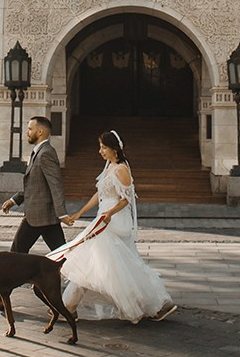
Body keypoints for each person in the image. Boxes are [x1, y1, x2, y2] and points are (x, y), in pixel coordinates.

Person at [51, 129, 176, 323]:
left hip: (113, 222)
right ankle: (69, 306)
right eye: (100, 147)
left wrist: (109, 213)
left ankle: (68, 306)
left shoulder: (121, 169)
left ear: (114, 149)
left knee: (97, 264)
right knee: (106, 266)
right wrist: (81, 212)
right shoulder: (109, 166)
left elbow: (127, 199)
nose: (100, 151)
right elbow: (99, 194)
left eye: (103, 147)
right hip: (102, 220)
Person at [1, 116, 67, 253]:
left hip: (38, 215)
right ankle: (77, 273)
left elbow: (56, 185)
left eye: (30, 129)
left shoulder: (46, 153)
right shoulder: (39, 152)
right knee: (62, 253)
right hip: (44, 217)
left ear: (40, 131)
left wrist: (62, 213)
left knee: (16, 253)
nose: (27, 132)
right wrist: (14, 200)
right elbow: (34, 184)